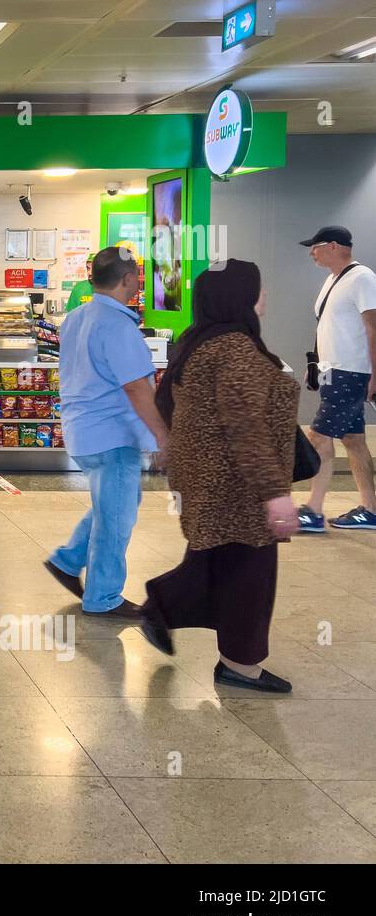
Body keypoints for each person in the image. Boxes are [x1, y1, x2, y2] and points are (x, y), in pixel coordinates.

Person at [141, 260, 298, 693]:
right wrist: (274, 495)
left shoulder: (202, 342)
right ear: (239, 297)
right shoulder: (234, 350)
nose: (264, 297)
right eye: (258, 289)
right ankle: (239, 664)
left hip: (209, 481)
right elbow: (246, 427)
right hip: (234, 487)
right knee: (250, 575)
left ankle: (164, 610)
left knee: (218, 563)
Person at [43, 247, 169, 616]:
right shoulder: (117, 325)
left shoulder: (77, 316)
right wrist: (163, 436)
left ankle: (68, 560)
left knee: (115, 504)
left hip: (84, 430)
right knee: (117, 517)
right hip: (112, 433)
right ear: (129, 279)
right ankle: (103, 598)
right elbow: (136, 387)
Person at [295, 226, 376, 532]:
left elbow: (373, 328)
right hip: (334, 371)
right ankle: (370, 509)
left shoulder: (363, 278)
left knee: (318, 437)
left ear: (332, 245)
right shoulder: (333, 279)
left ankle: (313, 511)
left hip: (351, 372)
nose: (311, 252)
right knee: (353, 440)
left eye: (314, 247)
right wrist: (315, 363)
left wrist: (374, 375)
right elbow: (327, 325)